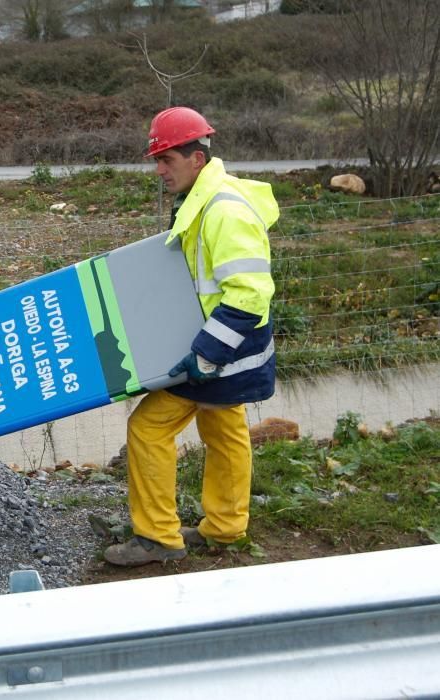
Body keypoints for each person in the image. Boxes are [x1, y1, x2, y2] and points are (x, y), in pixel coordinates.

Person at [103, 106, 279, 566]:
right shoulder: (206, 199)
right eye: (157, 160)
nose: (159, 170)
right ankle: (224, 528)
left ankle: (158, 537)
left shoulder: (223, 211)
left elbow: (249, 295)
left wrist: (203, 356)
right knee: (224, 431)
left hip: (220, 356)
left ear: (196, 158)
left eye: (167, 159)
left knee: (147, 427)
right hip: (232, 353)